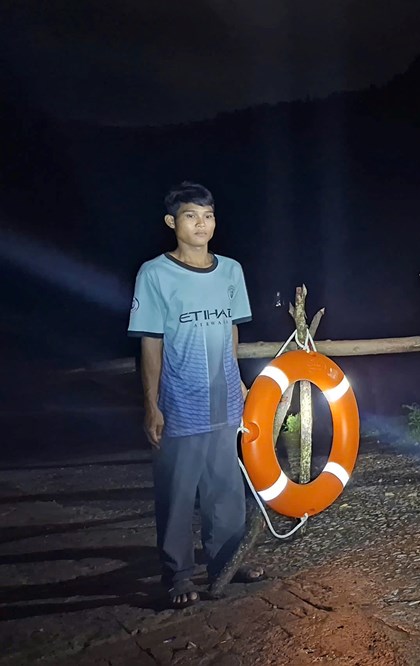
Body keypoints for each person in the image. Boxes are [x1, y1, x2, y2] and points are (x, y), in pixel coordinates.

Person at [128, 181, 262, 607]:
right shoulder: (154, 273)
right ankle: (178, 575)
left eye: (208, 216)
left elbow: (232, 329)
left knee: (225, 488)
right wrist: (151, 404)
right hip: (179, 403)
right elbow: (150, 341)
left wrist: (239, 380)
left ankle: (226, 561)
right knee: (178, 492)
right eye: (190, 216)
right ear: (172, 222)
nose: (201, 224)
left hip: (224, 399)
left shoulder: (231, 270)